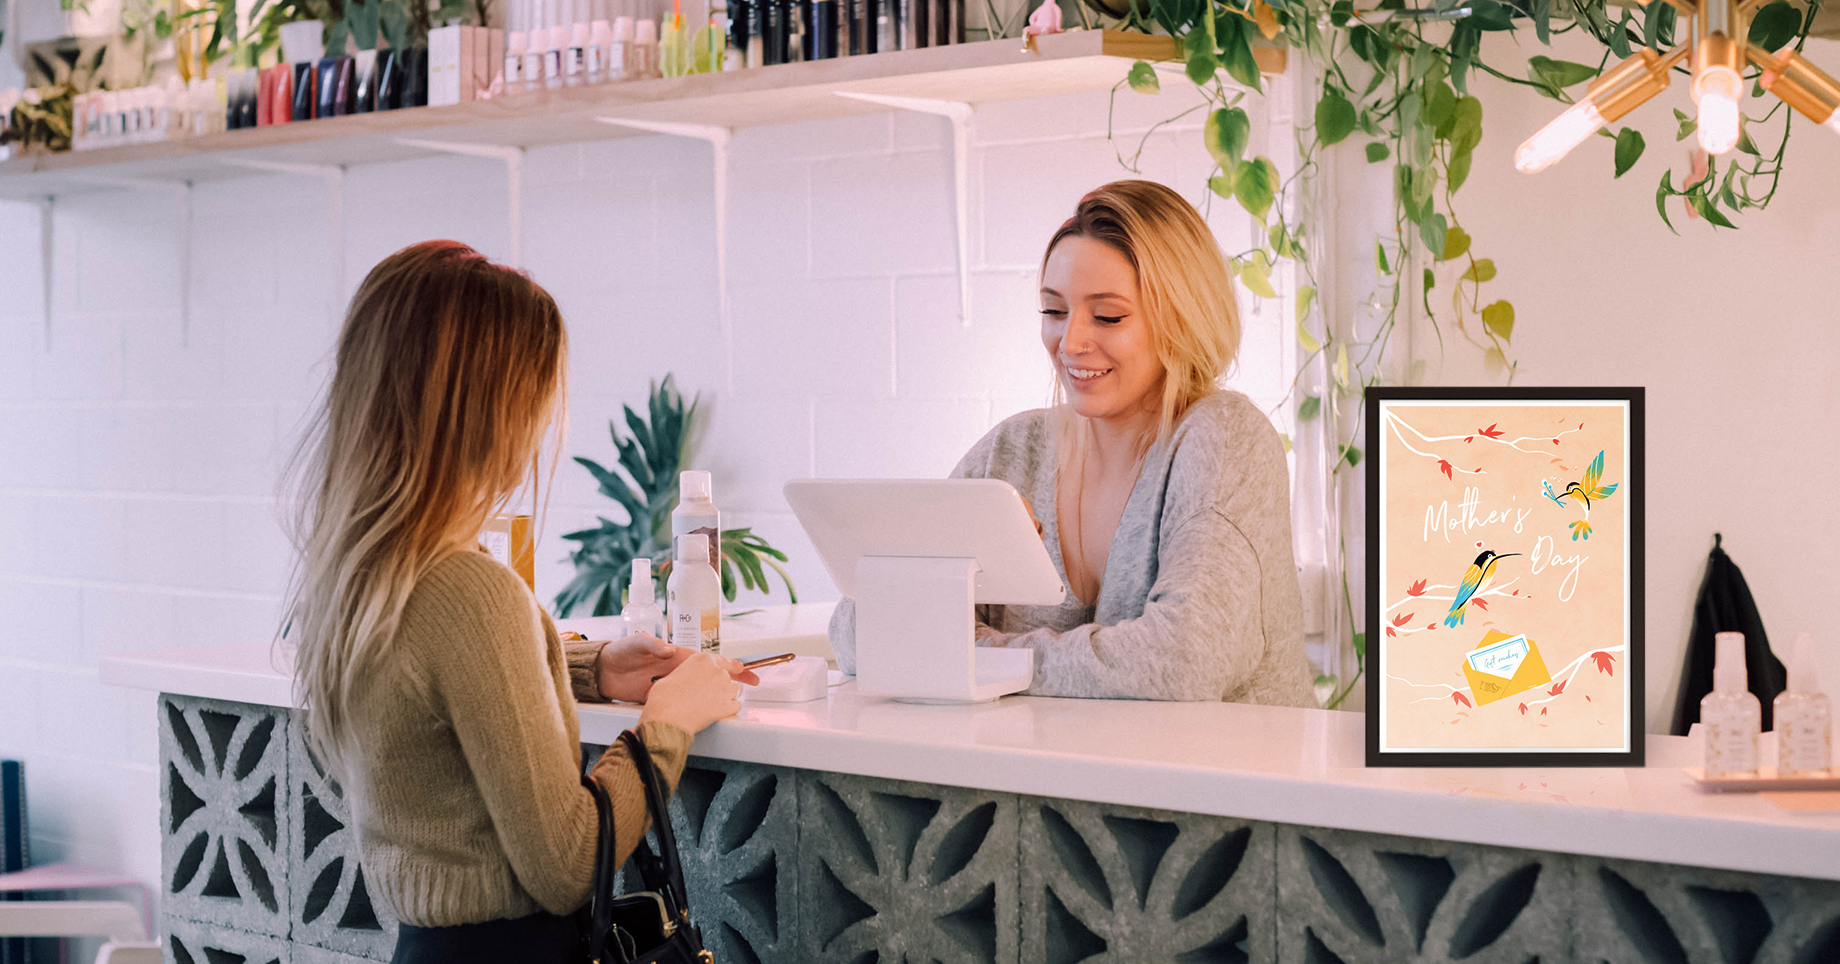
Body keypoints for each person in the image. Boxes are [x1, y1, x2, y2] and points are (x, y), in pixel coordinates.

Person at [281, 240, 757, 964]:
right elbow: (567, 864)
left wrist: (590, 670)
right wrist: (668, 723)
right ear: (490, 410)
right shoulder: (469, 590)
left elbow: (436, 686)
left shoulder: (360, 573)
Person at [831, 181, 1315, 705]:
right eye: (1054, 311)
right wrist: (953, 560)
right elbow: (858, 636)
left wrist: (979, 657)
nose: (1071, 342)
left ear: (1183, 316)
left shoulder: (1223, 439)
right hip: (1056, 781)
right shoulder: (1015, 451)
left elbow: (1183, 660)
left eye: (1108, 316)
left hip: (1221, 783)